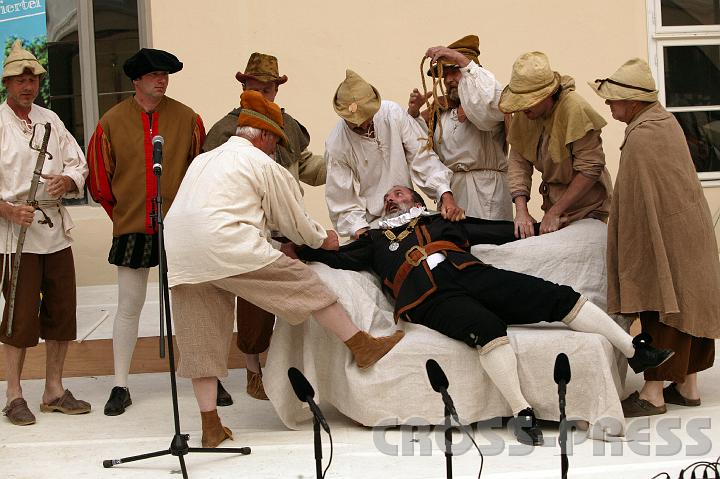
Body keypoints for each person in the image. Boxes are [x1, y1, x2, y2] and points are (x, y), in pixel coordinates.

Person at [293, 185, 673, 446]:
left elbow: (501, 231)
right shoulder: (374, 239)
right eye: (387, 197)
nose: (391, 199)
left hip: (473, 273)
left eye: (399, 193)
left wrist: (549, 225)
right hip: (427, 296)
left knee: (557, 296)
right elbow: (336, 258)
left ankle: (633, 350)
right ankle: (521, 412)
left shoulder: (443, 221)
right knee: (488, 328)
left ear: (416, 200)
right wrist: (297, 248)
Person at [164, 90, 404, 448]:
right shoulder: (261, 163)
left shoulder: (204, 161)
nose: (276, 149)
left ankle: (210, 426)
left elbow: (219, 215)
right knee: (307, 285)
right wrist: (323, 240)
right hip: (227, 245)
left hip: (181, 253)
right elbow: (293, 220)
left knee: (201, 339)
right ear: (263, 135)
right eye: (276, 141)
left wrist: (276, 247)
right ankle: (361, 344)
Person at [591, 58, 720, 417]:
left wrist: (632, 248)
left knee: (664, 306)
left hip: (672, 236)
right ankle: (688, 386)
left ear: (633, 101)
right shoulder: (664, 121)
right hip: (689, 233)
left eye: (614, 98)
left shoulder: (644, 134)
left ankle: (653, 395)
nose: (608, 103)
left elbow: (640, 201)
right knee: (687, 301)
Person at [86, 48, 205, 417]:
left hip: (179, 226)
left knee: (191, 305)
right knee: (129, 306)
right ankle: (120, 384)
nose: (161, 80)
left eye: (165, 74)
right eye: (154, 74)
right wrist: (124, 215)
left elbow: (199, 171)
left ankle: (206, 376)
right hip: (133, 227)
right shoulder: (111, 122)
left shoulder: (187, 119)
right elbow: (100, 182)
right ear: (136, 80)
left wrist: (186, 214)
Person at [203, 52, 326, 404]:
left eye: (268, 89)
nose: (261, 94)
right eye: (255, 88)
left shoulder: (288, 125)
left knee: (302, 294)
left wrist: (345, 164)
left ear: (276, 90)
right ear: (243, 87)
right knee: (254, 303)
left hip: (290, 225)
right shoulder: (226, 130)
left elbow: (305, 166)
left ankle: (295, 367)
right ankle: (253, 369)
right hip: (250, 229)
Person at [0, 40, 90, 426]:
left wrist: (67, 181)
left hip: (53, 231)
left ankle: (54, 389)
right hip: (14, 236)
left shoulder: (51, 119)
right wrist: (6, 209)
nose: (28, 86)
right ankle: (14, 394)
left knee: (61, 312)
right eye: (20, 80)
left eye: (33, 79)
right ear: (7, 83)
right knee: (19, 318)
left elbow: (78, 163)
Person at [325, 69, 464, 239]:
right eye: (355, 125)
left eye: (366, 120)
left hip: (409, 213)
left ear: (375, 108)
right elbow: (342, 200)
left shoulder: (392, 113)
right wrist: (361, 232)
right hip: (372, 224)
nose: (363, 127)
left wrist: (445, 194)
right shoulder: (336, 144)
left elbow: (422, 157)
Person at [498, 52, 613, 239]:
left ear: (548, 95)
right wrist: (521, 210)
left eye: (529, 101)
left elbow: (590, 168)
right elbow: (518, 161)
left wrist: (555, 212)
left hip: (588, 208)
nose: (523, 108)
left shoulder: (574, 108)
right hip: (553, 205)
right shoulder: (525, 113)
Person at [408, 35, 512, 220]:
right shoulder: (439, 112)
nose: (448, 79)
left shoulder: (487, 104)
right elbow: (418, 148)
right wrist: (414, 114)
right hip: (453, 193)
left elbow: (490, 101)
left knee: (488, 238)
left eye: (455, 71)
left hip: (487, 191)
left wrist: (461, 60)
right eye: (445, 74)